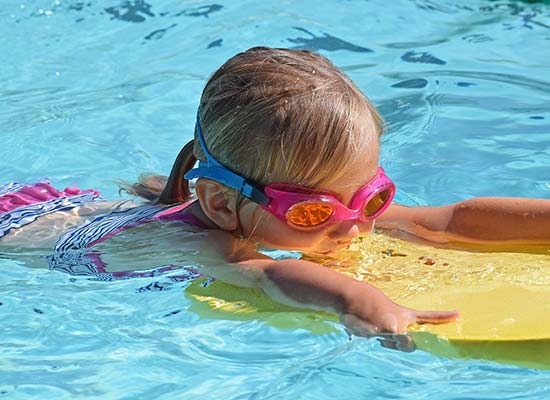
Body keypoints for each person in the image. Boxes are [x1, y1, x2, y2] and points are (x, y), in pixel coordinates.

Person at [1, 47, 549, 336]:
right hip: (24, 233)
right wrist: (359, 301)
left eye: (373, 196)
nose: (356, 224)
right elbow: (264, 274)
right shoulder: (202, 244)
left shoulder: (341, 211)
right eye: (314, 211)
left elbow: (448, 222)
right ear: (220, 203)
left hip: (69, 207)